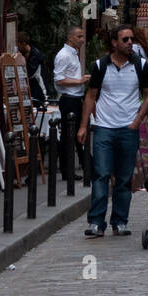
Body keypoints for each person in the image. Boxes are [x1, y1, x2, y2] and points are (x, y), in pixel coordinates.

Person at [78, 25, 148, 238]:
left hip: (128, 128)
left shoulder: (139, 65)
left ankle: (120, 221)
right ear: (114, 43)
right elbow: (91, 96)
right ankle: (96, 222)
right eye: (126, 39)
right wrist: (84, 125)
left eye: (131, 39)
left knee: (123, 178)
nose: (131, 43)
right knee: (101, 174)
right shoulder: (100, 66)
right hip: (104, 127)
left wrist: (137, 120)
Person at [53, 26, 90, 181]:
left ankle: (84, 165)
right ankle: (68, 170)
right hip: (69, 99)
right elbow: (59, 79)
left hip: (76, 98)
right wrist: (79, 81)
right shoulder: (64, 55)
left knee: (76, 134)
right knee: (69, 135)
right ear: (70, 38)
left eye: (82, 36)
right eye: (79, 36)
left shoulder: (73, 54)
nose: (82, 39)